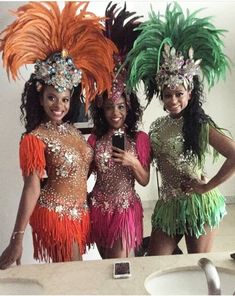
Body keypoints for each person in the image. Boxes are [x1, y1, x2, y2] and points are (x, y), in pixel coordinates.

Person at [0, 1, 116, 268]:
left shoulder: (74, 132)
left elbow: (81, 171)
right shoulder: (35, 138)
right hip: (56, 215)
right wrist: (17, 238)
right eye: (52, 98)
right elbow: (31, 187)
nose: (58, 106)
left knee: (72, 278)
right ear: (40, 98)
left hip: (81, 214)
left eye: (64, 100)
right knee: (71, 279)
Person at [125, 3, 235, 255]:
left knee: (197, 266)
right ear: (161, 96)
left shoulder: (199, 124)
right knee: (155, 261)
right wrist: (130, 160)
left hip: (198, 204)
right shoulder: (155, 127)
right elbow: (145, 172)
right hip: (167, 206)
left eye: (178, 94)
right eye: (167, 95)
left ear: (190, 93)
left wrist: (208, 187)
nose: (172, 100)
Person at [87, 3, 151, 259]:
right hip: (98, 210)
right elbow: (84, 172)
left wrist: (132, 161)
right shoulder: (94, 139)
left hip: (125, 210)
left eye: (121, 107)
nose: (116, 113)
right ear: (102, 109)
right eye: (111, 107)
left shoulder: (139, 139)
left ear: (129, 108)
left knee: (122, 267)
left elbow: (145, 180)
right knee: (107, 269)